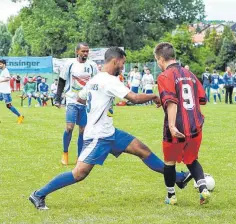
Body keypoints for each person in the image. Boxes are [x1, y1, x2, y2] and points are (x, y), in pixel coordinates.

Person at [29, 47, 191, 210]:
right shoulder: (109, 80)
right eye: (123, 63)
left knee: (142, 150)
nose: (123, 66)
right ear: (115, 60)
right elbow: (134, 98)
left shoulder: (95, 79)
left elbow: (80, 98)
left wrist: (98, 108)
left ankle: (179, 178)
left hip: (110, 132)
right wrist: (155, 96)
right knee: (79, 174)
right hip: (98, 136)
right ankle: (39, 194)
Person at [154, 42, 210, 205]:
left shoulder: (164, 76)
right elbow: (202, 99)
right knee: (191, 159)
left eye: (157, 60)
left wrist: (171, 126)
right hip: (195, 126)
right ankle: (203, 189)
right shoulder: (190, 74)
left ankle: (171, 196)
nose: (158, 63)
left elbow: (172, 102)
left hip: (177, 127)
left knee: (169, 162)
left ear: (161, 59)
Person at [54, 42, 99, 165]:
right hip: (71, 100)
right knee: (69, 128)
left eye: (87, 51)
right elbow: (62, 81)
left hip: (86, 102)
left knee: (83, 130)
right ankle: (65, 153)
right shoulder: (69, 64)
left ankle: (80, 156)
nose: (85, 53)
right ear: (77, 52)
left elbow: (97, 82)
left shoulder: (92, 65)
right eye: (83, 51)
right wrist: (57, 98)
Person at [0, 59, 24, 124]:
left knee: (9, 106)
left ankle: (20, 116)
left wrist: (1, 81)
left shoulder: (6, 71)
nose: (0, 65)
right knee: (8, 105)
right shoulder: (2, 71)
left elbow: (8, 78)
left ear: (4, 64)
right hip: (1, 91)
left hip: (5, 92)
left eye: (0, 64)